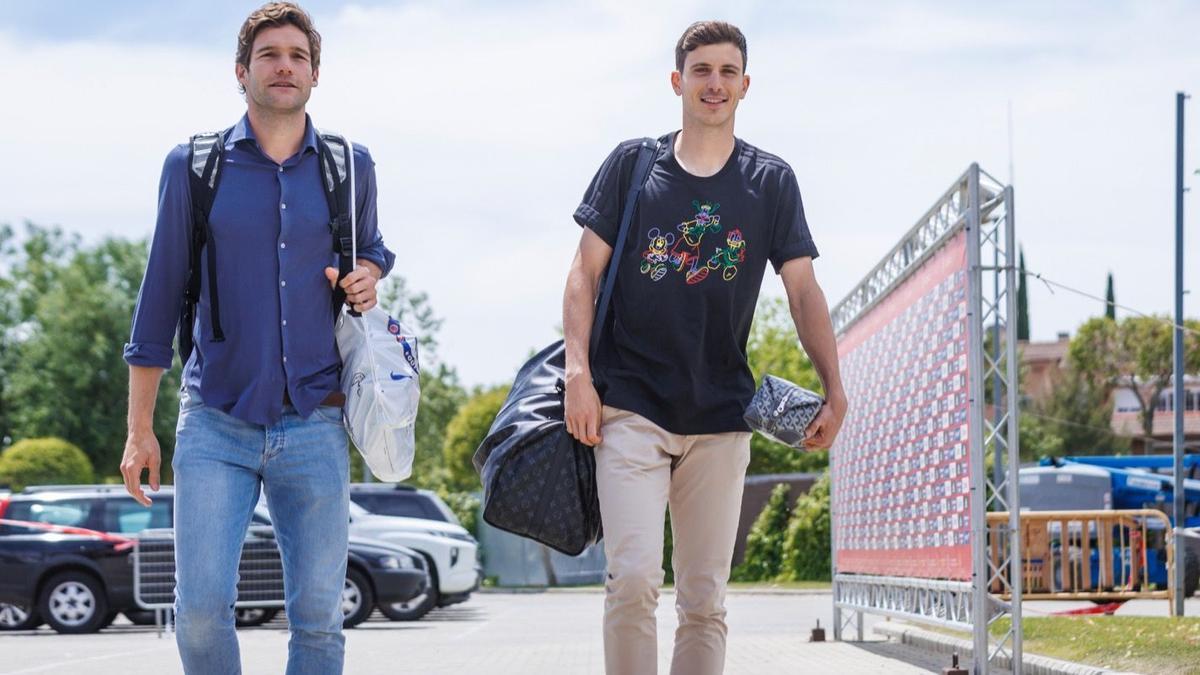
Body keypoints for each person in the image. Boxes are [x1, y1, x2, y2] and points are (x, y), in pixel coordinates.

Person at [562, 20, 847, 675]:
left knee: (704, 599)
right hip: (629, 402)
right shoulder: (633, 166)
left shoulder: (770, 181)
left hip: (722, 413)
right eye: (701, 70)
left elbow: (803, 289)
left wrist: (834, 385)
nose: (713, 83)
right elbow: (584, 273)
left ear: (744, 85)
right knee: (632, 578)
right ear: (677, 81)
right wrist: (579, 371)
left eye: (726, 72)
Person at [119, 3, 394, 673]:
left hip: (316, 421)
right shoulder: (193, 166)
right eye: (270, 54)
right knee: (203, 606)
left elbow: (374, 251)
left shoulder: (348, 165)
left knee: (320, 618)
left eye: (298, 56)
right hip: (216, 418)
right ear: (241, 71)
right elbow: (158, 298)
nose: (285, 66)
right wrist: (139, 429)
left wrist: (367, 275)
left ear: (315, 74)